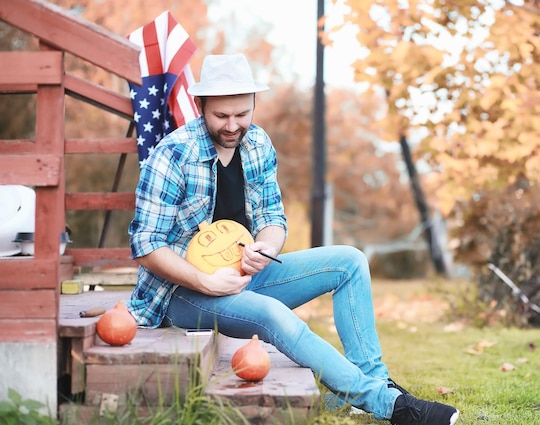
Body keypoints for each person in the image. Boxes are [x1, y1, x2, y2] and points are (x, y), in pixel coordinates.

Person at [127, 53, 459, 425]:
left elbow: (273, 218)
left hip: (246, 276)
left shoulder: (257, 144)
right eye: (221, 116)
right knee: (272, 313)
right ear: (200, 105)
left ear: (253, 103)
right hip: (183, 294)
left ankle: (376, 382)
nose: (233, 125)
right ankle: (391, 406)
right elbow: (146, 245)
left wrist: (265, 250)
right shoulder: (172, 155)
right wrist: (205, 280)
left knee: (349, 261)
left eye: (242, 113)